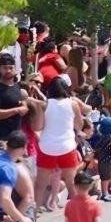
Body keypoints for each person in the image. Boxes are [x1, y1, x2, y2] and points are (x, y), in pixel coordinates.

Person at [35, 78, 83, 213]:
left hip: (47, 147)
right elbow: (79, 125)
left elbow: (39, 126)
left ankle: (34, 215)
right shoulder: (73, 104)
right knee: (71, 182)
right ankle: (78, 214)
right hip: (67, 146)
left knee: (40, 185)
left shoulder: (44, 105)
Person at [0, 53, 27, 143]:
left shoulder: (16, 87)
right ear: (0, 69)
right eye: (5, 68)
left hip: (16, 138)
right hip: (0, 139)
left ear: (15, 69)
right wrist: (16, 110)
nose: (8, 71)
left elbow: (23, 106)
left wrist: (23, 107)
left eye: (11, 68)